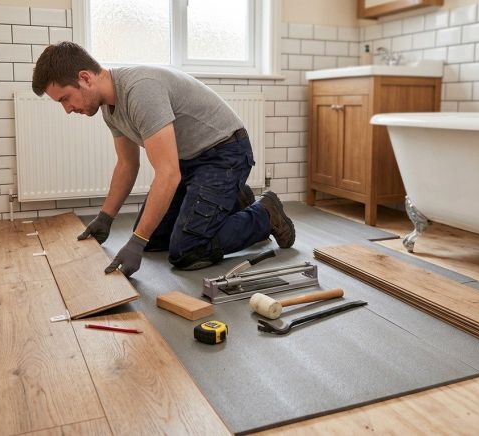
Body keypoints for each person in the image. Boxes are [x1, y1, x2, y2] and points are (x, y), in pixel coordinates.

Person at [31, 42, 295, 277]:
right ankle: (233, 200)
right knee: (154, 237)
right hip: (191, 161)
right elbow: (127, 164)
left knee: (187, 251)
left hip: (224, 154)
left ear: (85, 78)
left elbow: (168, 174)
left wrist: (136, 242)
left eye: (65, 98)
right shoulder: (109, 111)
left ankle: (264, 214)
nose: (67, 109)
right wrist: (105, 218)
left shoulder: (140, 91)